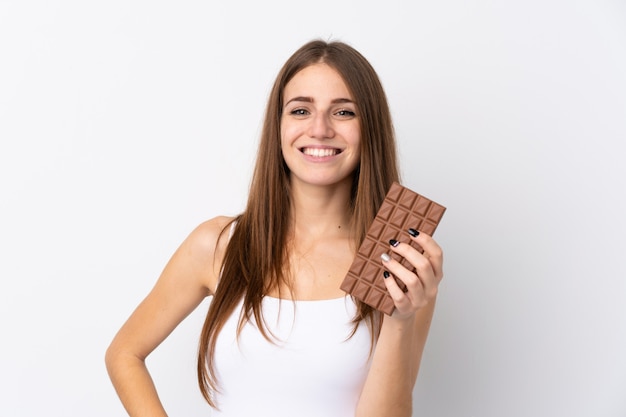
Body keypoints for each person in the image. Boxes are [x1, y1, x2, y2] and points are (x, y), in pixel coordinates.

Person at [105, 39, 444, 417]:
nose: (319, 129)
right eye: (300, 110)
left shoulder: (400, 261)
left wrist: (400, 320)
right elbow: (124, 353)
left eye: (344, 113)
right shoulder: (219, 245)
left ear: (370, 129)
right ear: (278, 126)